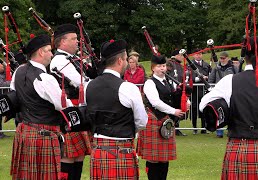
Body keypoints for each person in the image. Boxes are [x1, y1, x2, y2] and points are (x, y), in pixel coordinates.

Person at [200, 36, 258, 179]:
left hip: (236, 148)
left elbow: (204, 105)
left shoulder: (229, 81)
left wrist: (225, 110)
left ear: (244, 57)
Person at [10, 34, 73, 179]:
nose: (52, 54)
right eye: (50, 50)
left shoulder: (18, 72)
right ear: (40, 52)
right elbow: (63, 105)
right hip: (43, 135)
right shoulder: (45, 78)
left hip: (25, 132)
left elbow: (15, 98)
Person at [86, 39, 147, 179]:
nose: (126, 63)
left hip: (98, 149)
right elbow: (142, 122)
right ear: (120, 61)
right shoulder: (128, 88)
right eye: (126, 59)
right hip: (121, 149)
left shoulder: (89, 86)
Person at [50, 24, 92, 180]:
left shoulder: (72, 59)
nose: (77, 42)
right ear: (62, 42)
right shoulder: (60, 61)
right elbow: (80, 82)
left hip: (78, 110)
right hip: (68, 111)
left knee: (79, 155)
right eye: (74, 39)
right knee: (68, 156)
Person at [137, 54, 187, 180]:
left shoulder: (168, 82)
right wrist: (174, 111)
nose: (162, 69)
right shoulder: (149, 83)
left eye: (163, 66)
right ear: (153, 68)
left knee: (164, 158)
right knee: (154, 159)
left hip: (165, 121)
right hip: (154, 120)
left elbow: (175, 98)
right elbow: (155, 102)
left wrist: (185, 101)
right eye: (159, 66)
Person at [208, 51, 238, 138]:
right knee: (219, 111)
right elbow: (211, 80)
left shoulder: (234, 68)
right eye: (221, 58)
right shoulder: (216, 68)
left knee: (232, 111)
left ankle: (231, 130)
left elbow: (239, 77)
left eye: (223, 58)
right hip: (219, 93)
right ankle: (219, 131)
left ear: (227, 58)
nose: (222, 60)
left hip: (231, 92)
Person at [167, 49, 188, 136]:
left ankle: (176, 127)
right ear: (176, 56)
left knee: (180, 108)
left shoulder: (180, 65)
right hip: (172, 90)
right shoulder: (170, 63)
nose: (182, 57)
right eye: (180, 55)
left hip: (179, 90)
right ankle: (171, 128)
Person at [190, 48, 211, 134]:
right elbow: (190, 78)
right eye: (197, 54)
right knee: (194, 109)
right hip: (194, 91)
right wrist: (200, 78)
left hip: (204, 90)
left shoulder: (206, 65)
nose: (198, 55)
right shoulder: (190, 65)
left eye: (200, 54)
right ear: (194, 55)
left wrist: (207, 78)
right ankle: (194, 128)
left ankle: (204, 128)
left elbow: (211, 75)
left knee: (204, 109)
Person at [0, 63, 11, 138]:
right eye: (0, 65)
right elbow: (1, 84)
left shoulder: (2, 74)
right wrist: (11, 82)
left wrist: (7, 72)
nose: (2, 66)